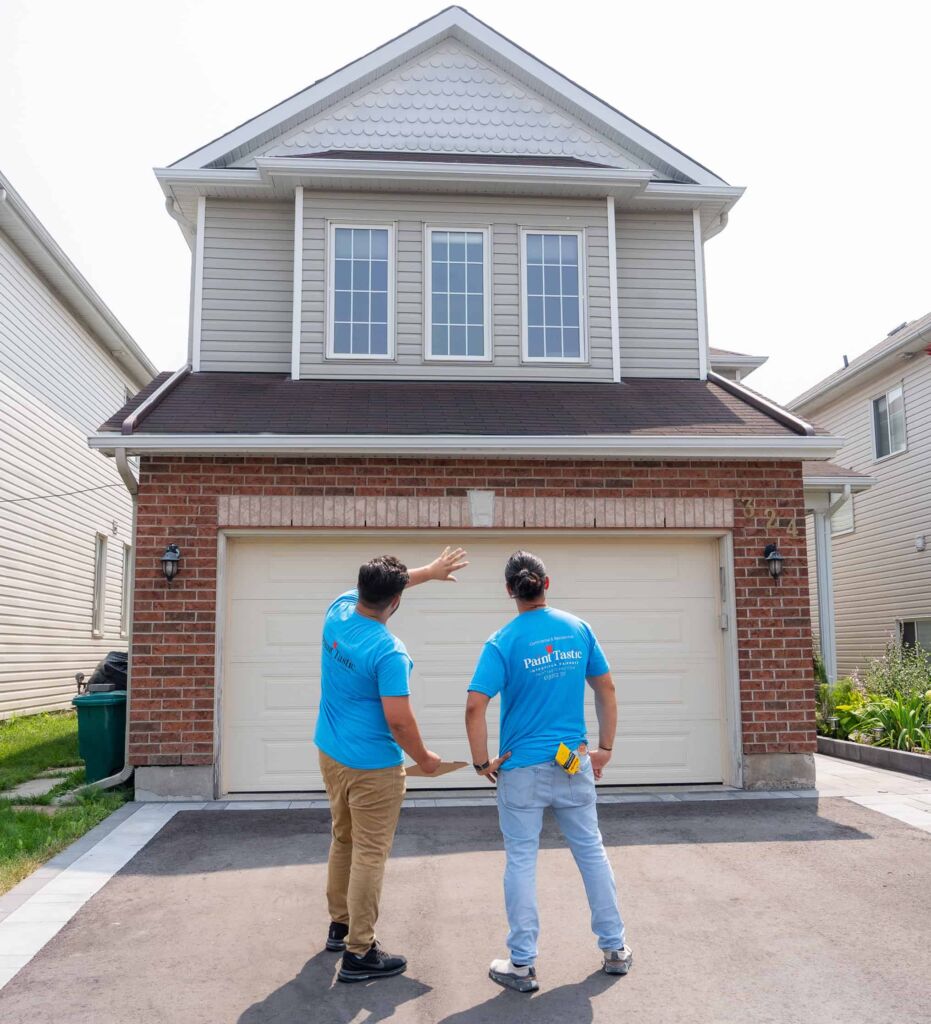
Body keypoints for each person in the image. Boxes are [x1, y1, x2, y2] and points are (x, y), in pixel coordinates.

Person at [465, 550, 632, 992]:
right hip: (571, 761)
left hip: (520, 768)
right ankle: (615, 949)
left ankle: (521, 964)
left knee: (521, 859)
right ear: (547, 583)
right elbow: (606, 688)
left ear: (509, 591)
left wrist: (483, 763)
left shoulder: (502, 641)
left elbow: (474, 706)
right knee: (591, 851)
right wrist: (604, 750)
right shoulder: (578, 629)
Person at [315, 546, 468, 984]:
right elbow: (398, 720)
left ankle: (340, 925)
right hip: (373, 768)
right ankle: (360, 952)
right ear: (396, 602)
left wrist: (429, 572)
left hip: (330, 752)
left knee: (343, 838)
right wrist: (426, 759)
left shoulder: (338, 611)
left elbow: (386, 588)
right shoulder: (388, 651)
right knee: (369, 853)